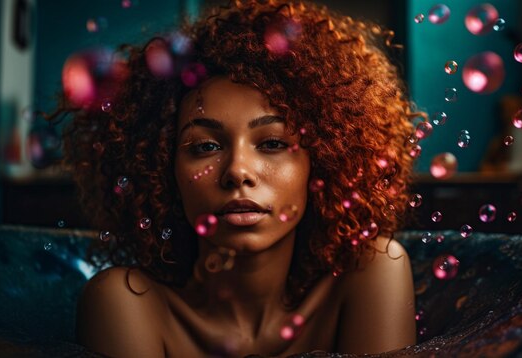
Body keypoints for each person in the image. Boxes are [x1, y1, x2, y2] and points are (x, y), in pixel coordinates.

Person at [59, 0, 419, 356]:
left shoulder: (371, 274)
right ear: (162, 169)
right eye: (204, 147)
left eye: (274, 143)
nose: (237, 171)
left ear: (323, 161)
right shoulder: (124, 303)